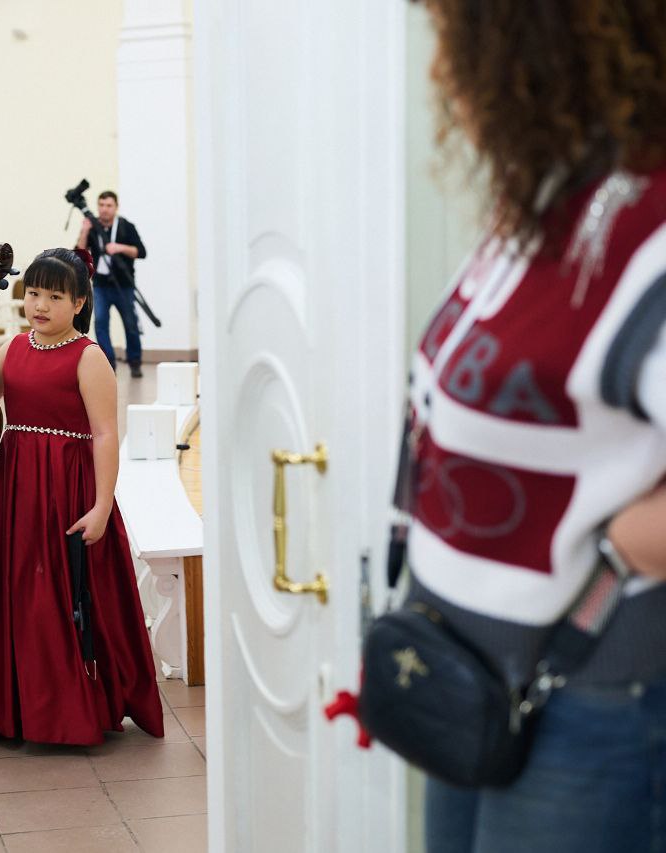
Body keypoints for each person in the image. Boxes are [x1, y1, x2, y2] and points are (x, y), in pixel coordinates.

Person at [402, 2, 666, 850]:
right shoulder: (551, 197)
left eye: (455, 36)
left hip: (589, 696)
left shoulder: (653, 227)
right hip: (468, 674)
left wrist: (622, 548)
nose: (442, 69)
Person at [0, 248, 163, 745]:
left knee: (56, 594)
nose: (40, 305)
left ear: (78, 303)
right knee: (2, 588)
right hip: (14, 487)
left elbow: (105, 434)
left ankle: (63, 708)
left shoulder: (89, 357)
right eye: (33, 293)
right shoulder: (14, 346)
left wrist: (101, 505)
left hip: (67, 489)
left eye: (55, 296)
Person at [76, 191, 148, 377]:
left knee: (130, 324)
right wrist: (84, 230)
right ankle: (108, 363)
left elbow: (141, 252)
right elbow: (79, 253)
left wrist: (119, 247)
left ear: (116, 207)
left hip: (123, 285)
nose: (104, 209)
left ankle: (134, 362)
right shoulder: (93, 227)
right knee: (100, 322)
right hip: (100, 284)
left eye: (108, 205)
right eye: (101, 205)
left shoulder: (125, 226)